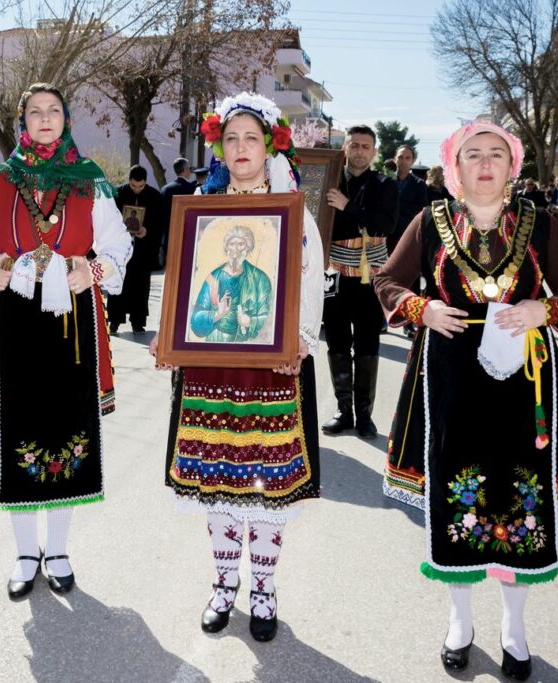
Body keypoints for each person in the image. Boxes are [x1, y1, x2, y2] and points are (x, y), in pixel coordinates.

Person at [374, 121, 558, 681]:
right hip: (449, 379)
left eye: (497, 153)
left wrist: (545, 310)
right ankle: (459, 621)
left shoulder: (540, 224)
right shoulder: (430, 221)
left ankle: (514, 628)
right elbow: (388, 281)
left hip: (526, 384)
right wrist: (422, 308)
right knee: (458, 496)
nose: (486, 163)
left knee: (519, 497)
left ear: (513, 165)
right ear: (455, 166)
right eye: (473, 154)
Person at [150, 91, 324, 643]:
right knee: (218, 480)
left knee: (267, 485)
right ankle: (224, 583)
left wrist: (299, 338)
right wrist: (171, 335)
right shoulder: (201, 208)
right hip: (210, 370)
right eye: (231, 139)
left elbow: (311, 281)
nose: (241, 147)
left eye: (251, 137)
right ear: (219, 148)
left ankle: (264, 589)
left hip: (273, 370)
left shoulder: (291, 209)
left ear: (269, 144)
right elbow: (186, 286)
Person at [0, 82, 133, 601]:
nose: (44, 119)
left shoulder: (90, 182)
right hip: (10, 320)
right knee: (13, 436)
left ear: (65, 120)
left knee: (64, 433)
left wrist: (94, 269)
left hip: (70, 326)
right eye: (35, 112)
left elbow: (117, 244)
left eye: (53, 111)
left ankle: (57, 550)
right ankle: (22, 552)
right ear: (22, 122)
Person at [321, 124, 398, 439]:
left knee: (368, 341)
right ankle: (344, 410)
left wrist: (349, 208)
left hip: (370, 275)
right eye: (354, 145)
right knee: (337, 341)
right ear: (345, 148)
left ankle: (365, 414)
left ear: (375, 152)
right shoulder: (329, 180)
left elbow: (385, 225)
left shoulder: (384, 185)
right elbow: (324, 223)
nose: (360, 151)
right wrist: (354, 214)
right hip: (334, 273)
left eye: (366, 146)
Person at [189, 224, 272, 341]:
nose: (236, 250)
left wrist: (250, 321)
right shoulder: (213, 279)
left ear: (248, 248)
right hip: (216, 341)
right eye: (232, 244)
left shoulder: (260, 279)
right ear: (226, 248)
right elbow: (195, 320)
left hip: (247, 343)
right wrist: (218, 313)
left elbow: (271, 318)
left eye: (241, 244)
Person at [107, 165, 162, 335]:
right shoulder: (117, 194)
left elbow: (160, 222)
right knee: (118, 283)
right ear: (129, 181)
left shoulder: (154, 196)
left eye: (141, 186)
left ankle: (138, 322)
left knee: (141, 286)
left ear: (146, 182)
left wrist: (147, 230)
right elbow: (108, 219)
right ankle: (114, 320)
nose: (137, 190)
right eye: (133, 186)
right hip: (120, 250)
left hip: (143, 250)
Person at [390, 145, 429, 337]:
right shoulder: (386, 181)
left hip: (408, 238)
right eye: (400, 157)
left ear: (412, 161)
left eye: (407, 157)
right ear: (395, 159)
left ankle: (409, 321)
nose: (403, 160)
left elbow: (420, 211)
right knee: (385, 278)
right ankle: (383, 319)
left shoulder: (419, 185)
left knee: (410, 281)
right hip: (387, 238)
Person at [160, 157, 199, 265]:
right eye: (189, 168)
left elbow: (161, 215)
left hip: (169, 234)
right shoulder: (191, 189)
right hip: (187, 233)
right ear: (186, 170)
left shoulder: (165, 189)